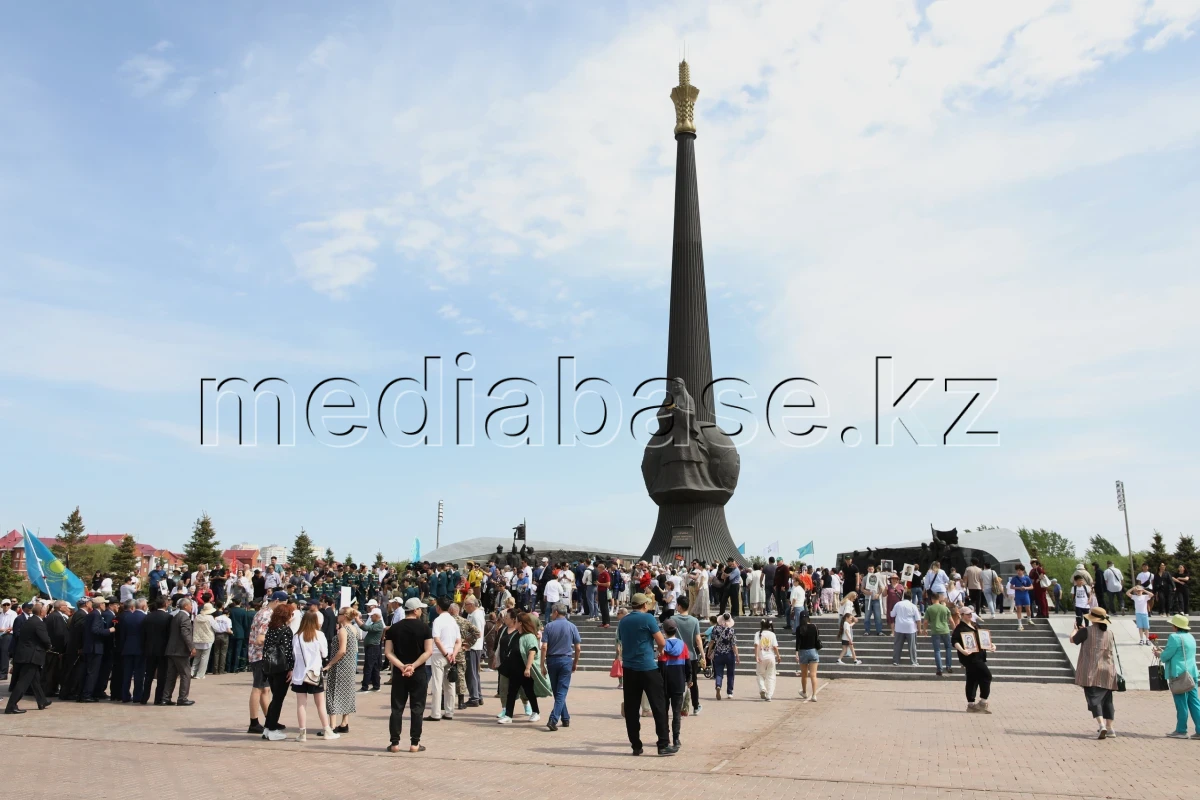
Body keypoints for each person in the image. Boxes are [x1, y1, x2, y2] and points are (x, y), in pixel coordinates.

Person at [617, 593, 674, 755]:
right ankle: (663, 744)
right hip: (647, 667)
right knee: (658, 706)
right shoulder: (648, 618)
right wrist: (661, 651)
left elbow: (621, 640)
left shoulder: (624, 621)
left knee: (632, 708)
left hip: (629, 669)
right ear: (644, 605)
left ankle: (636, 745)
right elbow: (661, 641)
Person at [385, 597, 433, 753]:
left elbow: (388, 652)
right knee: (417, 708)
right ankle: (415, 743)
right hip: (418, 672)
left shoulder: (394, 628)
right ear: (416, 610)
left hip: (400, 673)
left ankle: (394, 743)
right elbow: (428, 651)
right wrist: (413, 665)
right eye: (420, 609)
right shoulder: (425, 628)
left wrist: (401, 666)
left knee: (397, 708)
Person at [1071, 607, 1119, 739]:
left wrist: (1075, 630)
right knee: (1108, 700)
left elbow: (1073, 640)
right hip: (1108, 670)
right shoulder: (1110, 633)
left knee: (1093, 698)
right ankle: (1110, 728)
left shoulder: (1087, 631)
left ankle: (1101, 725)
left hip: (1091, 671)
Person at [292, 608, 338, 741]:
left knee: (301, 704)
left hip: (299, 674)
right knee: (320, 703)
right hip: (315, 673)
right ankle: (327, 730)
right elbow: (324, 653)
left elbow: (295, 654)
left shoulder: (297, 636)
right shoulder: (319, 635)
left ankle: (302, 733)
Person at [247, 591, 286, 733]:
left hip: (259, 655)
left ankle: (270, 719)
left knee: (265, 689)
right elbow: (260, 639)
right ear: (276, 601)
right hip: (260, 656)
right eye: (282, 605)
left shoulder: (262, 612)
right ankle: (254, 722)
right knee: (258, 688)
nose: (283, 609)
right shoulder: (267, 615)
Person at [498, 612, 546, 725]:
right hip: (514, 669)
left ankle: (536, 712)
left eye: (516, 621)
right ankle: (508, 715)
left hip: (524, 670)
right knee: (512, 692)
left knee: (529, 692)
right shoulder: (516, 634)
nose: (514, 622)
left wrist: (528, 668)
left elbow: (532, 652)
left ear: (520, 623)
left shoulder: (529, 636)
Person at [1156, 614, 1199, 739]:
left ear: (1176, 626)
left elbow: (1165, 656)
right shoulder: (1190, 637)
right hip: (1192, 673)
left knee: (1181, 703)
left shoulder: (1174, 637)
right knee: (1194, 702)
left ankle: (1181, 730)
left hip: (1179, 674)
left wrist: (1159, 653)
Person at [3, 601, 51, 714]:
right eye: (45, 609)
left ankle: (42, 700)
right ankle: (11, 705)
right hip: (32, 656)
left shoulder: (30, 620)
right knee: (24, 682)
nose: (46, 611)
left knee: (35, 680)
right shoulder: (38, 623)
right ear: (41, 611)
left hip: (26, 655)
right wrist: (49, 646)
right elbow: (45, 639)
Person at [540, 603, 580, 731]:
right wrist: (575, 663)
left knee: (559, 691)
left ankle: (553, 718)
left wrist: (542, 664)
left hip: (552, 660)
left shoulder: (549, 626)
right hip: (566, 659)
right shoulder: (572, 626)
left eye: (552, 612)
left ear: (556, 612)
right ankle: (565, 718)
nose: (551, 615)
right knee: (561, 691)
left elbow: (544, 647)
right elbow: (578, 648)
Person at [259, 603, 295, 740]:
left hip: (269, 667)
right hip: (281, 668)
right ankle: (272, 729)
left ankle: (268, 728)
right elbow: (287, 651)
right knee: (278, 699)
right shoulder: (285, 630)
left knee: (275, 699)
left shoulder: (271, 628)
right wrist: (291, 668)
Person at [325, 607, 358, 734]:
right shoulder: (353, 629)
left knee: (333, 693)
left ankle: (332, 725)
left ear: (344, 616)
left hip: (340, 666)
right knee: (347, 693)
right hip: (349, 665)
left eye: (339, 614)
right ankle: (344, 722)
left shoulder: (343, 630)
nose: (337, 616)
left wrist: (330, 664)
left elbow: (342, 650)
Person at [427, 596, 461, 721]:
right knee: (450, 684)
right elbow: (458, 641)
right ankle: (449, 711)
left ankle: (435, 713)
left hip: (439, 653)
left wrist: (445, 653)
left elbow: (436, 639)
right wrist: (453, 654)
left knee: (437, 683)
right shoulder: (453, 621)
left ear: (438, 607)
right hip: (451, 654)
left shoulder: (438, 620)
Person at [659, 618, 689, 749]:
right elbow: (688, 664)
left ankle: (665, 737)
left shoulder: (662, 646)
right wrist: (689, 679)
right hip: (679, 681)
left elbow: (660, 665)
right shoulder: (683, 645)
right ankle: (676, 739)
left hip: (664, 683)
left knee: (663, 712)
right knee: (676, 712)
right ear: (676, 630)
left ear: (664, 631)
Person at [672, 596, 704, 716]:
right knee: (693, 682)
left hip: (677, 655)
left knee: (678, 682)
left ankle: (677, 706)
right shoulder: (694, 620)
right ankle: (695, 706)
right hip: (691, 656)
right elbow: (698, 639)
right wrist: (703, 655)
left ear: (679, 606)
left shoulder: (672, 619)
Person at [161, 597, 196, 706]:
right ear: (185, 606)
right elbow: (185, 634)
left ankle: (165, 698)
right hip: (180, 651)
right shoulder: (184, 617)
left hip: (171, 650)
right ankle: (182, 698)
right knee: (185, 674)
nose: (192, 607)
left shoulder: (175, 616)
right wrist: (191, 647)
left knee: (171, 675)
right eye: (190, 605)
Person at [140, 596, 171, 704]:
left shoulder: (148, 617)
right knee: (162, 676)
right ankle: (158, 698)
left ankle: (144, 697)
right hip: (163, 650)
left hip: (149, 650)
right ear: (165, 604)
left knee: (148, 675)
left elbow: (143, 634)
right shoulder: (168, 617)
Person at [709, 612, 739, 697]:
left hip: (718, 653)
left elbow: (712, 641)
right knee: (730, 673)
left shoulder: (715, 629)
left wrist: (709, 651)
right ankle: (730, 692)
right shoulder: (731, 630)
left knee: (718, 673)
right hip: (729, 654)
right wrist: (737, 655)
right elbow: (734, 645)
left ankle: (718, 685)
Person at [922, 592, 953, 676]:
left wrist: (924, 630)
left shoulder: (929, 608)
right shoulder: (945, 608)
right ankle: (948, 666)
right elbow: (951, 621)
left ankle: (939, 669)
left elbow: (925, 622)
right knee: (948, 648)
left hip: (935, 631)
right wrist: (954, 629)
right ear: (938, 599)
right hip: (945, 630)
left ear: (932, 599)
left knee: (937, 650)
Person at [794, 612, 821, 701]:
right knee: (813, 675)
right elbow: (817, 638)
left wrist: (796, 653)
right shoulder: (814, 627)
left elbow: (798, 642)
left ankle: (804, 692)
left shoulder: (799, 628)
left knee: (804, 674)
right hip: (813, 651)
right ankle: (814, 695)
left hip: (803, 652)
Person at [891, 592, 921, 667]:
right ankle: (914, 661)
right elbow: (918, 619)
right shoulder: (913, 606)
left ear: (903, 597)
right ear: (911, 598)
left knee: (897, 645)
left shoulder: (898, 604)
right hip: (910, 628)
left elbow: (892, 614)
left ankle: (896, 661)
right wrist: (919, 629)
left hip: (899, 627)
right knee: (912, 646)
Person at [360, 607, 385, 693]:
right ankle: (376, 685)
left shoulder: (378, 625)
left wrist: (357, 621)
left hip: (373, 648)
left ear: (377, 616)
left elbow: (366, 628)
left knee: (368, 666)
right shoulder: (376, 624)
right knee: (374, 667)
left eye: (372, 616)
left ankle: (365, 686)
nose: (371, 617)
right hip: (372, 647)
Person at [754, 618, 780, 701]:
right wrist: (778, 656)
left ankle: (762, 688)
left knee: (760, 674)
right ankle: (769, 695)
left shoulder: (758, 633)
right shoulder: (772, 634)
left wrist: (756, 656)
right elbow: (775, 647)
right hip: (771, 657)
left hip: (761, 657)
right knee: (771, 676)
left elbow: (756, 645)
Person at [190, 602, 216, 678]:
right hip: (207, 639)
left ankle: (192, 672)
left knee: (197, 657)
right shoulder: (210, 618)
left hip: (197, 638)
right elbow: (216, 627)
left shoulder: (197, 617)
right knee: (204, 657)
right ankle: (200, 674)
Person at [1008, 565, 1034, 631]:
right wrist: (1018, 588)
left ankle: (1029, 619)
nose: (1018, 572)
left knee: (1028, 608)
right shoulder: (1015, 578)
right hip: (1018, 595)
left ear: (1023, 571)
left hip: (1025, 595)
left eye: (1020, 570)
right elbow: (1011, 587)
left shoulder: (1027, 578)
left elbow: (1031, 587)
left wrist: (1025, 588)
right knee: (1019, 609)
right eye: (1017, 570)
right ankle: (1020, 624)